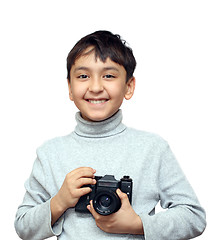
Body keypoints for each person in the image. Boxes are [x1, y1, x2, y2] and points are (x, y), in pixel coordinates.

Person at [14, 30, 206, 240]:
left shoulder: (152, 148)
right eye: (83, 76)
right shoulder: (50, 154)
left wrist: (137, 224)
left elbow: (194, 217)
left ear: (129, 86)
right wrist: (59, 202)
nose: (96, 87)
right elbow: (23, 226)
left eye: (109, 75)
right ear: (69, 87)